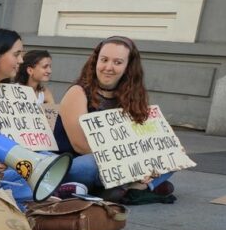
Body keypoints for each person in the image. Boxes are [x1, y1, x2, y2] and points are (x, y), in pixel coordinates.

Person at [56, 36, 174, 202]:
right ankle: (139, 186)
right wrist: (132, 165)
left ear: (128, 67)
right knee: (90, 164)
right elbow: (80, 145)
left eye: (117, 62)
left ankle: (126, 186)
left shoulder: (132, 96)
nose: (108, 67)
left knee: (170, 155)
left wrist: (149, 157)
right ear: (95, 61)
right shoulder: (78, 92)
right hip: (79, 162)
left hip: (118, 163)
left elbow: (140, 140)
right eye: (104, 60)